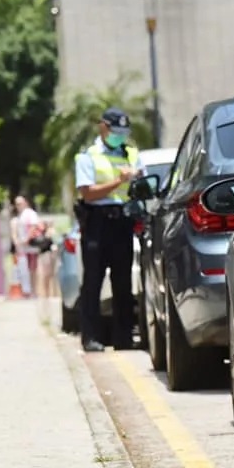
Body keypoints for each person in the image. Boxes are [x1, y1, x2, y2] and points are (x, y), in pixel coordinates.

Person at [74, 108, 145, 352]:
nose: (120, 137)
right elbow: (87, 193)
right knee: (93, 281)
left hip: (122, 221)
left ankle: (123, 337)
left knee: (123, 282)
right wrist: (119, 180)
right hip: (97, 222)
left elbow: (142, 185)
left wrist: (137, 180)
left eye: (123, 133)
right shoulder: (87, 156)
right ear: (103, 127)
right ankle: (91, 337)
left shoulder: (132, 153)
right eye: (115, 131)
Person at [14, 196, 40, 298]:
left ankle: (33, 290)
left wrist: (26, 239)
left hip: (31, 246)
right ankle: (27, 290)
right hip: (23, 247)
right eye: (16, 204)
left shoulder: (30, 214)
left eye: (20, 204)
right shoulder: (20, 216)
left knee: (32, 269)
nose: (18, 206)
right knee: (24, 269)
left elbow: (34, 227)